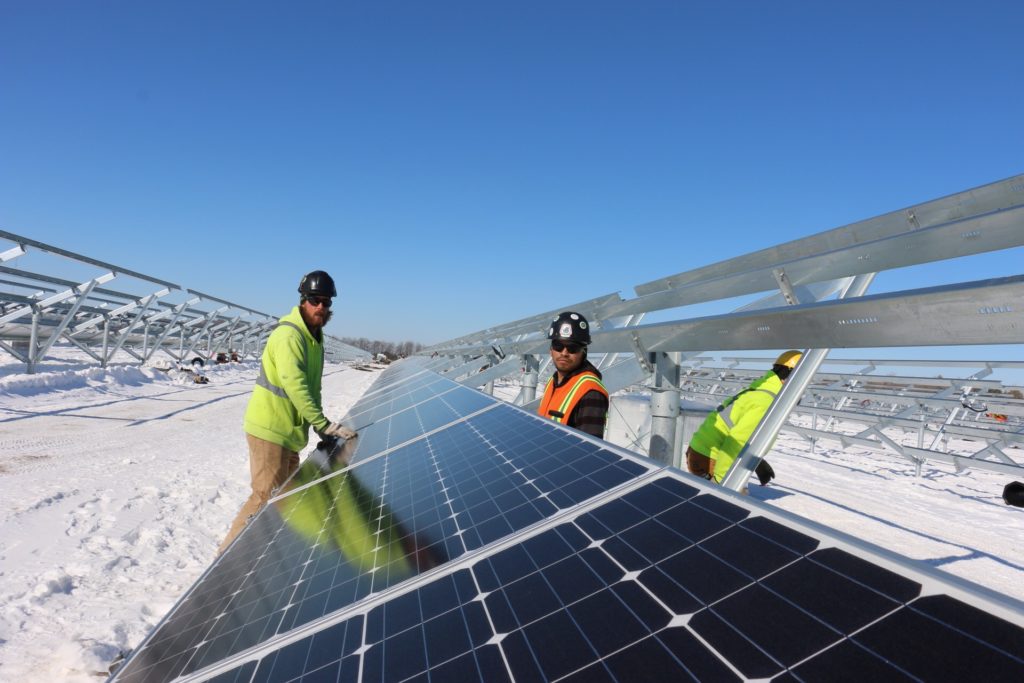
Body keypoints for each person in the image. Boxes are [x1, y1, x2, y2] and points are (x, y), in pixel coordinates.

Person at [218, 270, 356, 553]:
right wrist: (322, 423)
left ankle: (261, 556)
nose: (321, 307)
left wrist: (320, 427)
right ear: (303, 301)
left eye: (326, 302)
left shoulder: (314, 338)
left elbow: (312, 389)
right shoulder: (289, 335)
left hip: (288, 434)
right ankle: (226, 563)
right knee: (264, 498)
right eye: (315, 300)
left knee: (283, 499)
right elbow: (295, 384)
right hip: (270, 431)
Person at [686, 350, 803, 485]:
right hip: (710, 458)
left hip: (702, 452)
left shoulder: (762, 391)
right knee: (731, 501)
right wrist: (721, 482)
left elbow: (744, 438)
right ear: (788, 379)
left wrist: (756, 461)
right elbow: (736, 442)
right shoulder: (766, 402)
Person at [537, 311, 609, 438]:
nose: (564, 353)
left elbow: (588, 450)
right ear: (551, 350)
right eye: (558, 345)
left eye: (572, 348)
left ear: (583, 352)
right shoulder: (553, 382)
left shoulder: (591, 392)